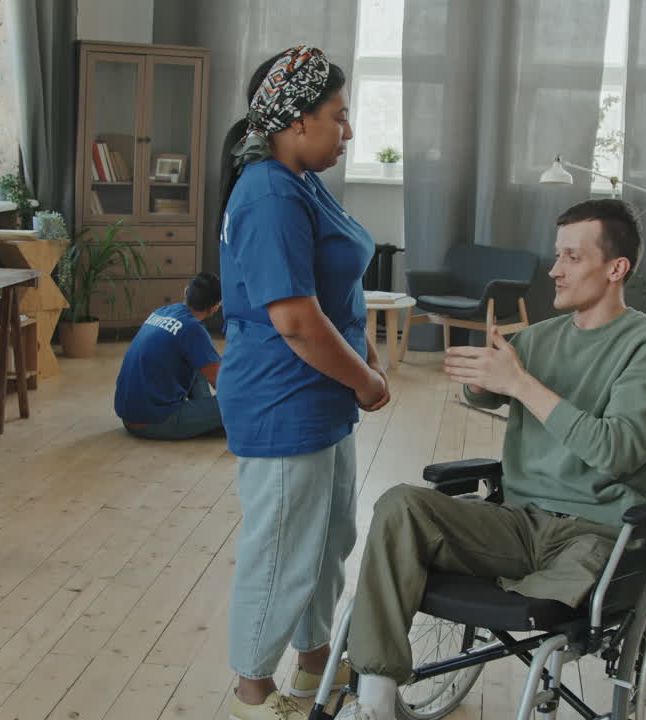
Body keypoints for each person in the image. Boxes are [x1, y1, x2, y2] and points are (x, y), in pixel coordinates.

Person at [336, 199, 646, 720]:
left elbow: (618, 451)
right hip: (519, 524)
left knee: (538, 599)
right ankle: (375, 703)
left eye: (571, 256)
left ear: (617, 269)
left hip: (598, 535)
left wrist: (520, 384)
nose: (554, 270)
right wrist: (483, 384)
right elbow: (492, 394)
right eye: (557, 255)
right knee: (400, 504)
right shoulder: (542, 337)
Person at [218, 45, 390, 720]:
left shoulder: (299, 181)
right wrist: (369, 384)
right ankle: (251, 694)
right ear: (295, 122)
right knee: (283, 550)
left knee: (326, 540)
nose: (347, 132)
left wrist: (362, 360)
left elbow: (329, 284)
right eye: (338, 117)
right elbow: (293, 317)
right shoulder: (265, 193)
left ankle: (312, 669)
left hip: (320, 394)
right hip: (284, 397)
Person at [113, 272, 223, 440]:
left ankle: (207, 421)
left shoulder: (162, 311)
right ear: (215, 307)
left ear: (186, 292)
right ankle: (210, 422)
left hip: (129, 416)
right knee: (241, 401)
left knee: (201, 360)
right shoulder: (193, 330)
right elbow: (222, 384)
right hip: (157, 421)